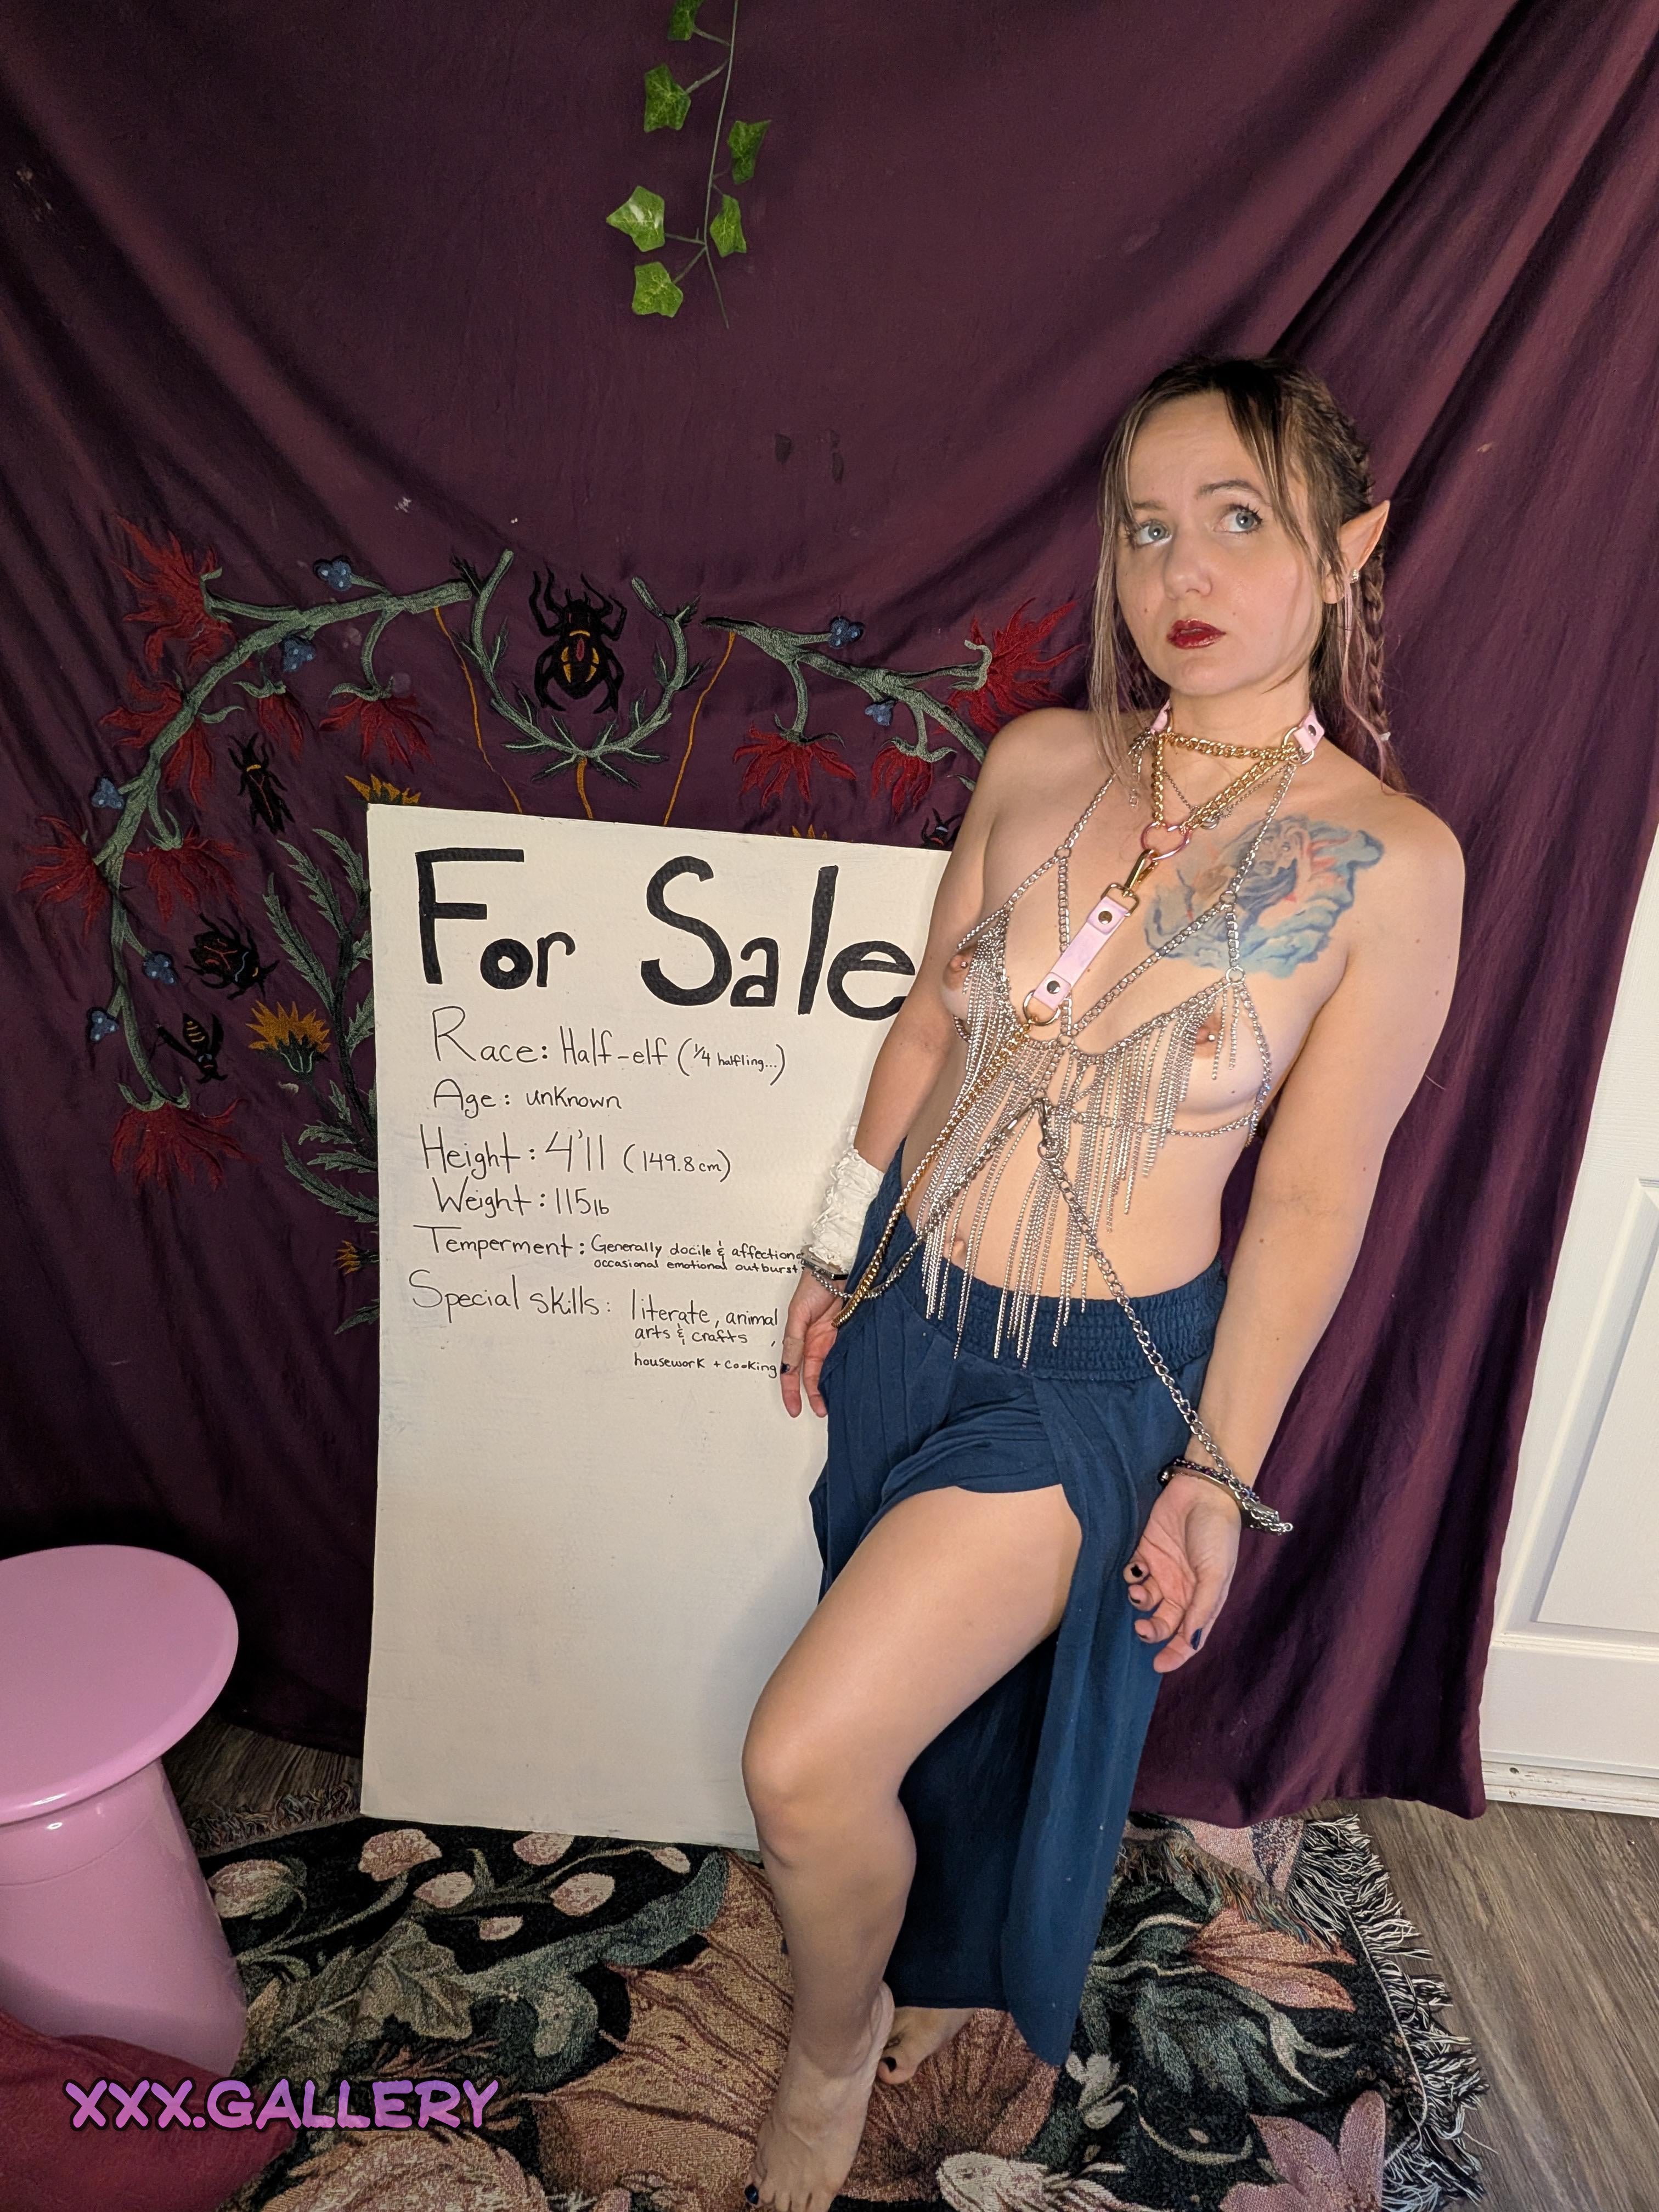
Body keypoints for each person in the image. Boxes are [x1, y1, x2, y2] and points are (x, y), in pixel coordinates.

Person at [739, 352, 1464, 2212]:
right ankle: (918, 1968)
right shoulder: (1045, 762)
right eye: (1146, 528)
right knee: (921, 1721)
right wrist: (836, 1243)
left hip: (1091, 1381)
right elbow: (928, 1027)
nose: (1179, 572)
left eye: (1239, 520)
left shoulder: (1393, 866)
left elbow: (1313, 1201)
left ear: (1350, 550)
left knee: (804, 1761)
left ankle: (831, 2049)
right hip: (910, 1317)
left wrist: (1215, 1475)